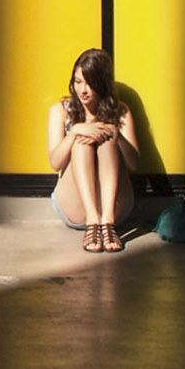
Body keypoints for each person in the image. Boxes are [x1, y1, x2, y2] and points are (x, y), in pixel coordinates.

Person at [47, 51, 159, 253]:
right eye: (78, 81)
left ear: (102, 83)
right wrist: (74, 132)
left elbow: (134, 165)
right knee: (82, 143)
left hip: (114, 208)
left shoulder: (120, 111)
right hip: (75, 206)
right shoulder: (60, 111)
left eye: (90, 83)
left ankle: (106, 223)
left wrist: (116, 135)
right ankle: (92, 222)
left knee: (107, 141)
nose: (83, 90)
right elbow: (55, 163)